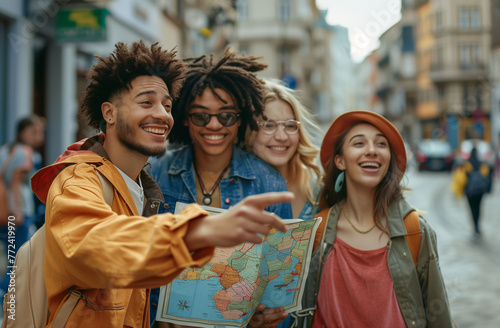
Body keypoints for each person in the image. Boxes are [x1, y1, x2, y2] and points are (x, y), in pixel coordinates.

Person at [29, 41, 293, 328]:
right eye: (146, 102)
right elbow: (90, 243)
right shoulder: (78, 178)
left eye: (167, 106)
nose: (162, 114)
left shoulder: (142, 185)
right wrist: (200, 229)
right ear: (109, 113)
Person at [149, 49, 293, 327]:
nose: (213, 125)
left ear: (240, 119)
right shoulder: (154, 174)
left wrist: (264, 318)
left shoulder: (268, 184)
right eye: (201, 116)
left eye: (226, 116)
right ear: (186, 118)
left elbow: (279, 287)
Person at [291, 110, 455, 327]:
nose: (372, 151)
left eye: (381, 144)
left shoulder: (415, 230)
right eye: (359, 143)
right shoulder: (316, 232)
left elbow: (439, 319)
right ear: (340, 161)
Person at [245, 79, 322, 220]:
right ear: (250, 131)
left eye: (290, 126)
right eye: (268, 125)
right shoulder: (233, 189)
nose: (282, 136)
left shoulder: (316, 189)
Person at [0, 115, 45, 296]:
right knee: (21, 256)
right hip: (19, 212)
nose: (39, 136)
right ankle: (6, 292)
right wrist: (17, 210)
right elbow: (16, 184)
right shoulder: (25, 152)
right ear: (22, 132)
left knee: (12, 255)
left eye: (41, 132)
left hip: (6, 210)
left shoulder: (6, 150)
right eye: (34, 132)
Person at [463, 146, 492, 235]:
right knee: (478, 208)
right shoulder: (482, 164)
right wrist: (488, 190)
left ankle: (474, 225)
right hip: (479, 192)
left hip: (469, 192)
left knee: (472, 209)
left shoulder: (467, 164)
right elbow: (487, 177)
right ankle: (477, 226)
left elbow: (462, 179)